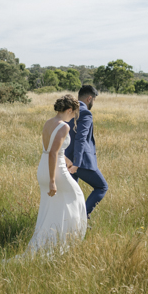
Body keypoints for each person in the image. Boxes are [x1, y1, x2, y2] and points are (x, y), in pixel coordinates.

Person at [17, 94, 87, 259]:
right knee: (77, 198)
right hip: (54, 171)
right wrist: (52, 181)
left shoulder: (48, 123)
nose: (73, 118)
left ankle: (51, 242)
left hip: (44, 168)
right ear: (69, 110)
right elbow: (53, 153)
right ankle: (65, 242)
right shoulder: (64, 127)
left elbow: (50, 149)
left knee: (52, 208)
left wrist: (68, 161)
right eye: (73, 114)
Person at [65, 85, 107, 226]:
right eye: (93, 99)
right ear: (90, 98)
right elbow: (81, 139)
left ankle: (70, 222)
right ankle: (82, 218)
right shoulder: (85, 113)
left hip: (66, 160)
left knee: (71, 194)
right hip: (80, 162)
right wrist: (77, 162)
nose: (93, 102)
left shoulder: (68, 111)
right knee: (102, 187)